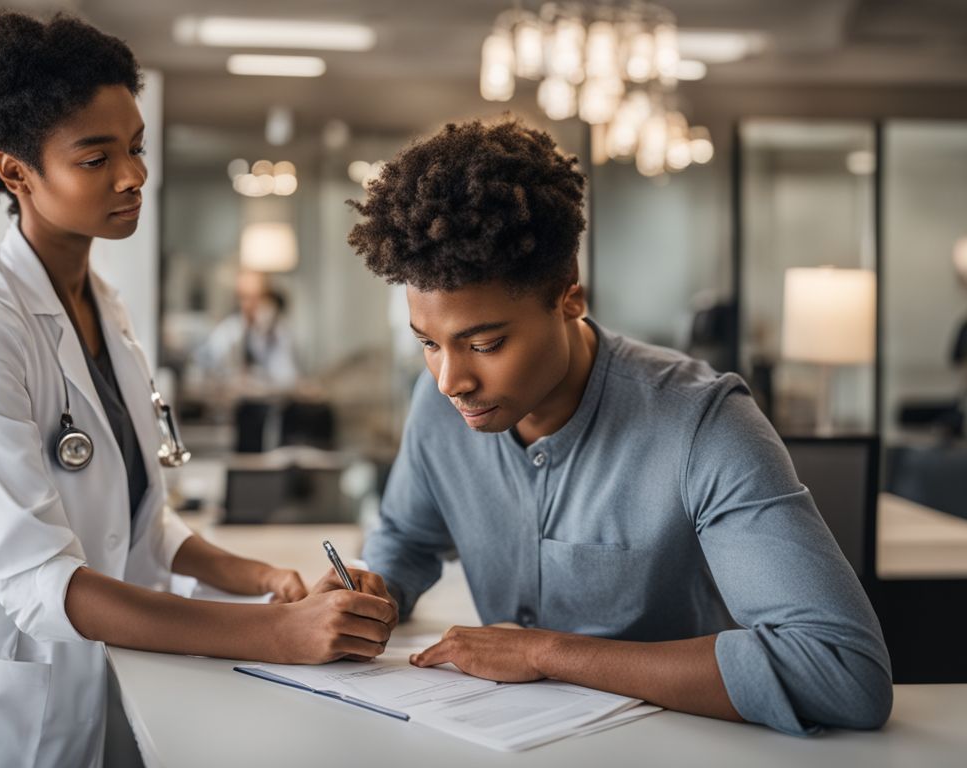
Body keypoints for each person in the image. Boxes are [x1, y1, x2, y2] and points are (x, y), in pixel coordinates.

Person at [0, 13, 395, 768]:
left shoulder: (104, 305)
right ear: (15, 172)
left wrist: (266, 582)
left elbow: (141, 526)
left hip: (102, 682)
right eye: (96, 158)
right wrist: (274, 635)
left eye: (135, 147)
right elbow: (42, 585)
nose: (133, 176)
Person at [348, 119, 892, 734]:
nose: (450, 380)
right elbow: (409, 537)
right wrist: (374, 593)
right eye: (428, 344)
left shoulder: (704, 424)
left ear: (569, 296)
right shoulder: (438, 400)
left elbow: (843, 671)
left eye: (486, 343)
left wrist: (545, 652)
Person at [192, 269, 300, 387]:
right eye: (245, 297)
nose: (251, 304)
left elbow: (288, 377)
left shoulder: (279, 333)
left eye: (258, 297)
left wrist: (265, 334)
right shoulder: (229, 331)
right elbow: (204, 364)